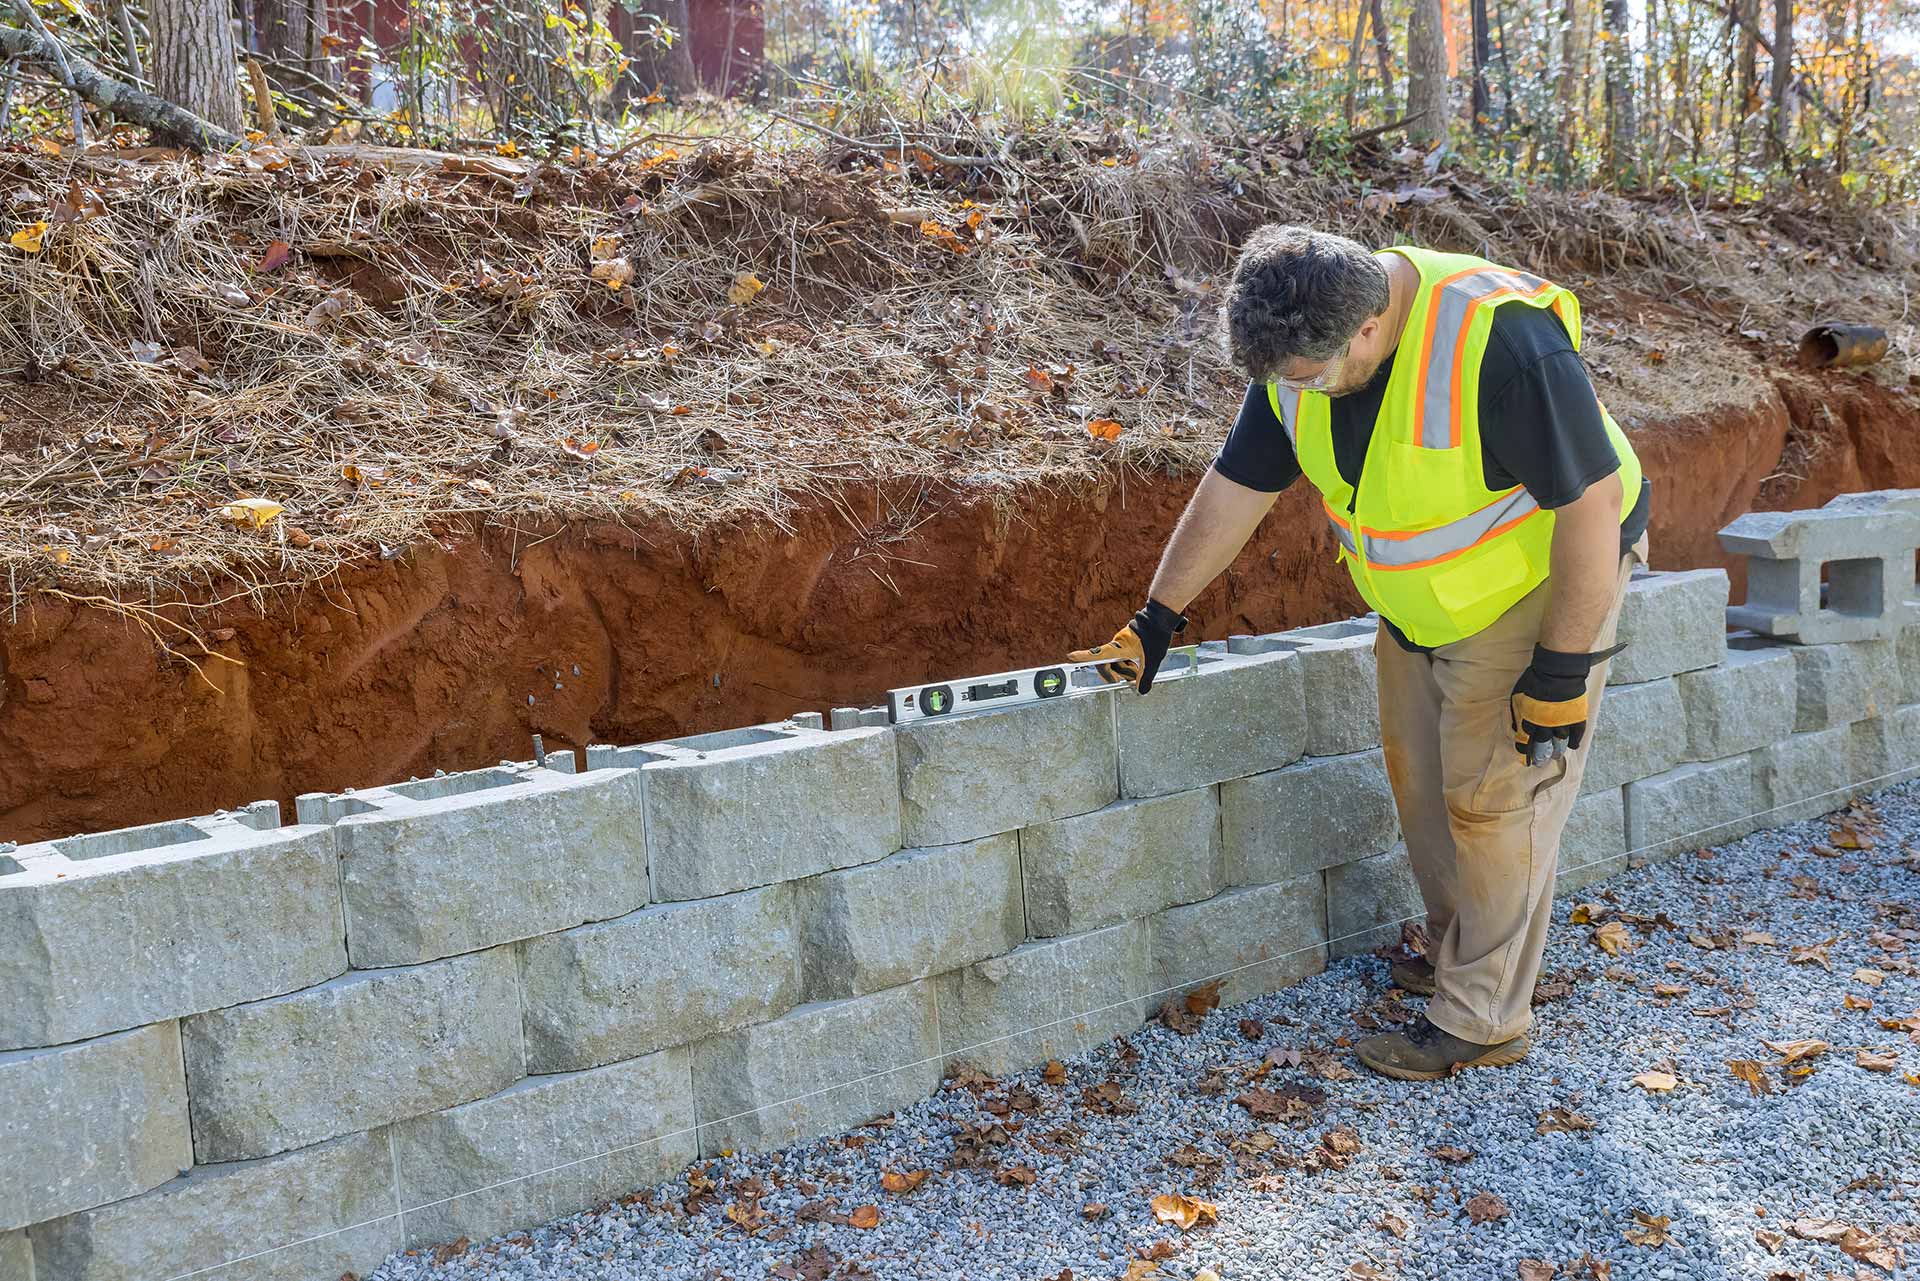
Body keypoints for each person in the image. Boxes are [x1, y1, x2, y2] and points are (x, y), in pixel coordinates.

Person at [1070, 226, 1651, 1081]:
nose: (1290, 393)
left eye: (1304, 377)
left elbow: (1593, 505)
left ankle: (1483, 1016)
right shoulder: (1299, 347)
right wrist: (1159, 614)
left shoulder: (1503, 341)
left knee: (1496, 799)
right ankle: (1466, 954)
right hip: (1421, 604)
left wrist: (1561, 671)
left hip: (1538, 582)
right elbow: (1236, 485)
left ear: (1371, 329)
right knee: (1422, 782)